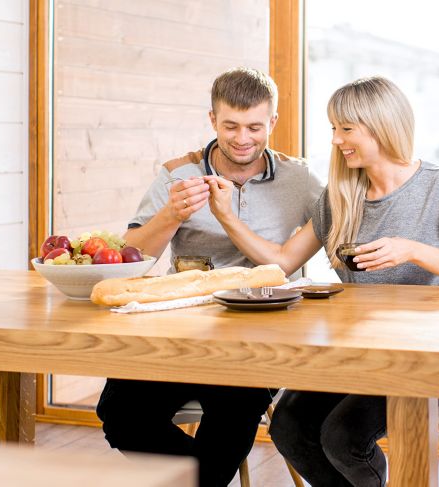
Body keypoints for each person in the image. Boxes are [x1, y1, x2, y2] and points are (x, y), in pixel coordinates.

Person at [204, 76, 439, 486]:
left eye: (346, 129)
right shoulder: (340, 195)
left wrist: (413, 249)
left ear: (381, 126)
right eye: (333, 129)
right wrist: (226, 216)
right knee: (289, 427)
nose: (335, 140)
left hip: (424, 359)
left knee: (342, 437)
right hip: (355, 356)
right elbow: (280, 260)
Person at [95, 67, 323, 487]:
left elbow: (319, 238)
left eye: (255, 127)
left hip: (258, 335)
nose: (242, 138)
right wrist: (171, 214)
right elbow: (132, 255)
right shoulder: (178, 175)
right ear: (212, 120)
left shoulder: (300, 180)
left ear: (272, 122)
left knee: (231, 418)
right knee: (119, 413)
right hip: (177, 330)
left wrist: (227, 218)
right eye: (230, 125)